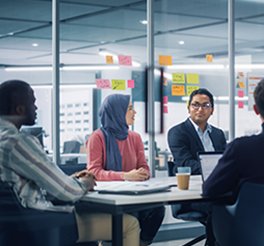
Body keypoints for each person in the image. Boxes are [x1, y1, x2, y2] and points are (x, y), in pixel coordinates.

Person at [0, 80, 140, 245]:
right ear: (19, 109)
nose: (36, 108)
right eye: (33, 103)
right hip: (41, 223)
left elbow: (19, 189)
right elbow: (67, 192)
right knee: (129, 224)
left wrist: (69, 180)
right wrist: (84, 183)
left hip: (12, 226)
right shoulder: (18, 142)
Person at [86, 94, 165, 246]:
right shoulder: (96, 138)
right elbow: (94, 172)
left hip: (133, 194)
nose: (134, 113)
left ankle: (141, 243)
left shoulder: (135, 137)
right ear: (116, 112)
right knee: (130, 214)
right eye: (129, 109)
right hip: (107, 198)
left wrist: (142, 173)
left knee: (158, 208)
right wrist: (126, 176)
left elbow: (145, 167)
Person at [167, 88, 227, 246]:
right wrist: (219, 170)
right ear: (188, 107)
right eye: (195, 105)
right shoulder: (177, 132)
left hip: (217, 189)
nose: (200, 109)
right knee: (219, 206)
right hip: (192, 195)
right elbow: (186, 163)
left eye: (205, 105)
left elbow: (227, 161)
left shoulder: (218, 134)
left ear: (212, 110)